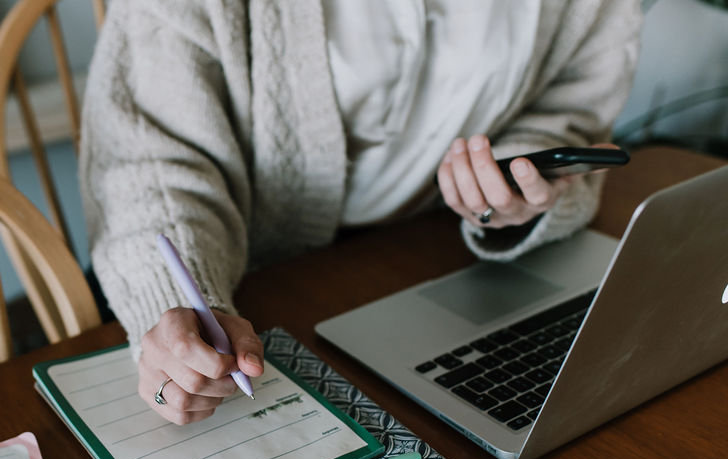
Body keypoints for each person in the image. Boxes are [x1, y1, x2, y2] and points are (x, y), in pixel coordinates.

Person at [78, 0, 643, 425]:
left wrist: (510, 186)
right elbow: (146, 163)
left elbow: (572, 110)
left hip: (441, 266)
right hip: (246, 291)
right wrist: (176, 305)